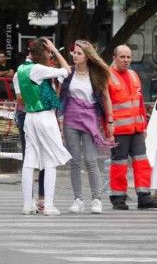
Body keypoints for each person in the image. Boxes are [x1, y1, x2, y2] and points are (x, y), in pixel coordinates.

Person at [59, 40, 115, 214]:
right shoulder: (68, 73)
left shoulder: (97, 74)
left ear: (87, 56)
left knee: (91, 160)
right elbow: (59, 95)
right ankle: (78, 199)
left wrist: (110, 121)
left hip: (90, 119)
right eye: (74, 53)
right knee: (74, 161)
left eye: (79, 53)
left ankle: (96, 199)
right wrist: (58, 117)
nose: (75, 56)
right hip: (70, 118)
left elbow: (106, 98)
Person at [17, 37, 71, 216]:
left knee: (29, 160)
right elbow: (67, 70)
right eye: (48, 52)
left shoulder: (20, 70)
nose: (50, 55)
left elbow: (20, 97)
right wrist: (56, 50)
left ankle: (27, 204)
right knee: (50, 160)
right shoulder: (38, 69)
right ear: (43, 51)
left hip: (29, 116)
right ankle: (48, 205)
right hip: (45, 117)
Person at [107, 45, 157, 210]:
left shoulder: (133, 75)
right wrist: (107, 127)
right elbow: (104, 105)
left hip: (136, 128)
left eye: (128, 57)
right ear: (115, 57)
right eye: (122, 57)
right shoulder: (107, 77)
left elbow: (139, 103)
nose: (126, 60)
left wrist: (143, 125)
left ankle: (144, 196)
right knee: (119, 164)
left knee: (141, 162)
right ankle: (118, 198)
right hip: (119, 129)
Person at [12, 49, 45, 211]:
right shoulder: (21, 72)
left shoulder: (44, 70)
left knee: (45, 157)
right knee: (29, 157)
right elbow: (19, 97)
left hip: (43, 116)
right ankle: (29, 199)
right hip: (26, 115)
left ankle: (42, 197)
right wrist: (40, 100)